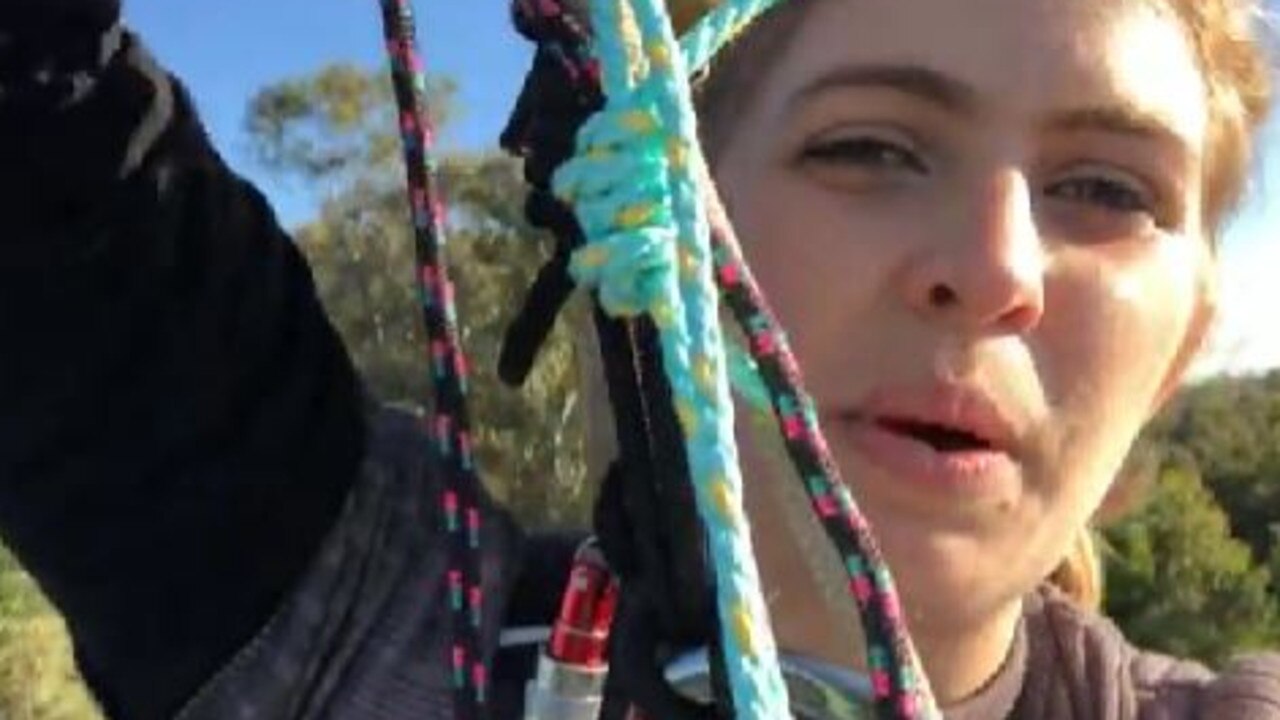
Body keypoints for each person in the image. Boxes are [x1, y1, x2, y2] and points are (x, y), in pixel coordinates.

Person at [0, 0, 1276, 718]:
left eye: (1105, 188)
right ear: (642, 228)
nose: (997, 270)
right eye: (869, 148)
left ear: (1169, 364)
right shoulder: (350, 630)